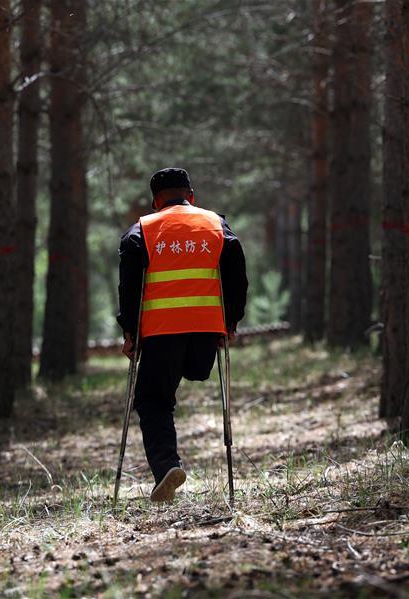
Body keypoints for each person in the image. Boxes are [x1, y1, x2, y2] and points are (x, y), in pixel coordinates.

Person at [117, 167, 248, 502]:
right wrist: (229, 323)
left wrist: (130, 331)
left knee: (153, 400)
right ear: (191, 194)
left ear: (156, 201)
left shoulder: (142, 230)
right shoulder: (216, 225)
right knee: (192, 371)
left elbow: (130, 288)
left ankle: (166, 468)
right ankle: (170, 471)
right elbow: (236, 277)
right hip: (205, 334)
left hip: (161, 334)